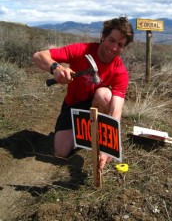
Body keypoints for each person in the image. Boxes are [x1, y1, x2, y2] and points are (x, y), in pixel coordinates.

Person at [32, 16, 134, 171]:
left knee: (105, 95)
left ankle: (98, 134)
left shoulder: (120, 71)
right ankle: (86, 134)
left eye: (120, 44)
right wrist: (56, 68)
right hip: (74, 105)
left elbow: (116, 110)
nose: (114, 48)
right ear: (103, 37)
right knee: (61, 152)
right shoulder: (82, 50)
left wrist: (109, 145)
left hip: (96, 104)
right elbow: (38, 56)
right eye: (111, 40)